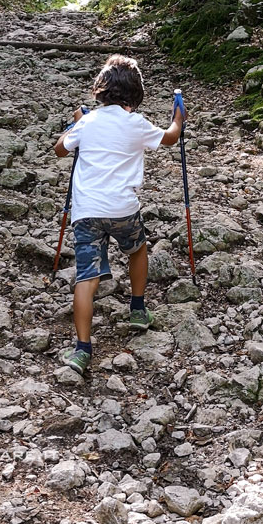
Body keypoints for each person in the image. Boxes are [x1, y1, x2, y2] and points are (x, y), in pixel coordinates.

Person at [54, 54, 184, 376]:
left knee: (87, 278)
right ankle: (137, 309)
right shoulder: (136, 123)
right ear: (134, 95)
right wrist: (178, 116)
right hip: (122, 209)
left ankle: (82, 349)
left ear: (101, 91)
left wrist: (75, 122)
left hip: (86, 213)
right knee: (137, 249)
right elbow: (170, 138)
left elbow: (59, 149)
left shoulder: (87, 121)